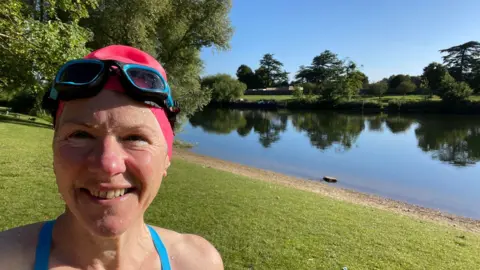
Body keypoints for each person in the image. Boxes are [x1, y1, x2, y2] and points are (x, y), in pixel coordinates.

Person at [0, 45, 224, 270]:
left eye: (135, 137)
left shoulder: (198, 262)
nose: (108, 164)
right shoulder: (6, 259)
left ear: (166, 157)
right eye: (80, 135)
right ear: (54, 149)